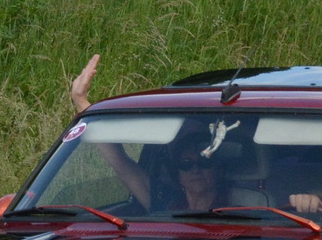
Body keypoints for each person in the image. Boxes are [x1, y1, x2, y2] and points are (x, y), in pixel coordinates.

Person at [67, 54, 225, 213]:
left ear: (218, 168)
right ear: (177, 173)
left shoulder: (234, 209)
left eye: (205, 162)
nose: (195, 170)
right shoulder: (166, 202)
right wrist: (80, 101)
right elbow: (121, 163)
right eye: (186, 164)